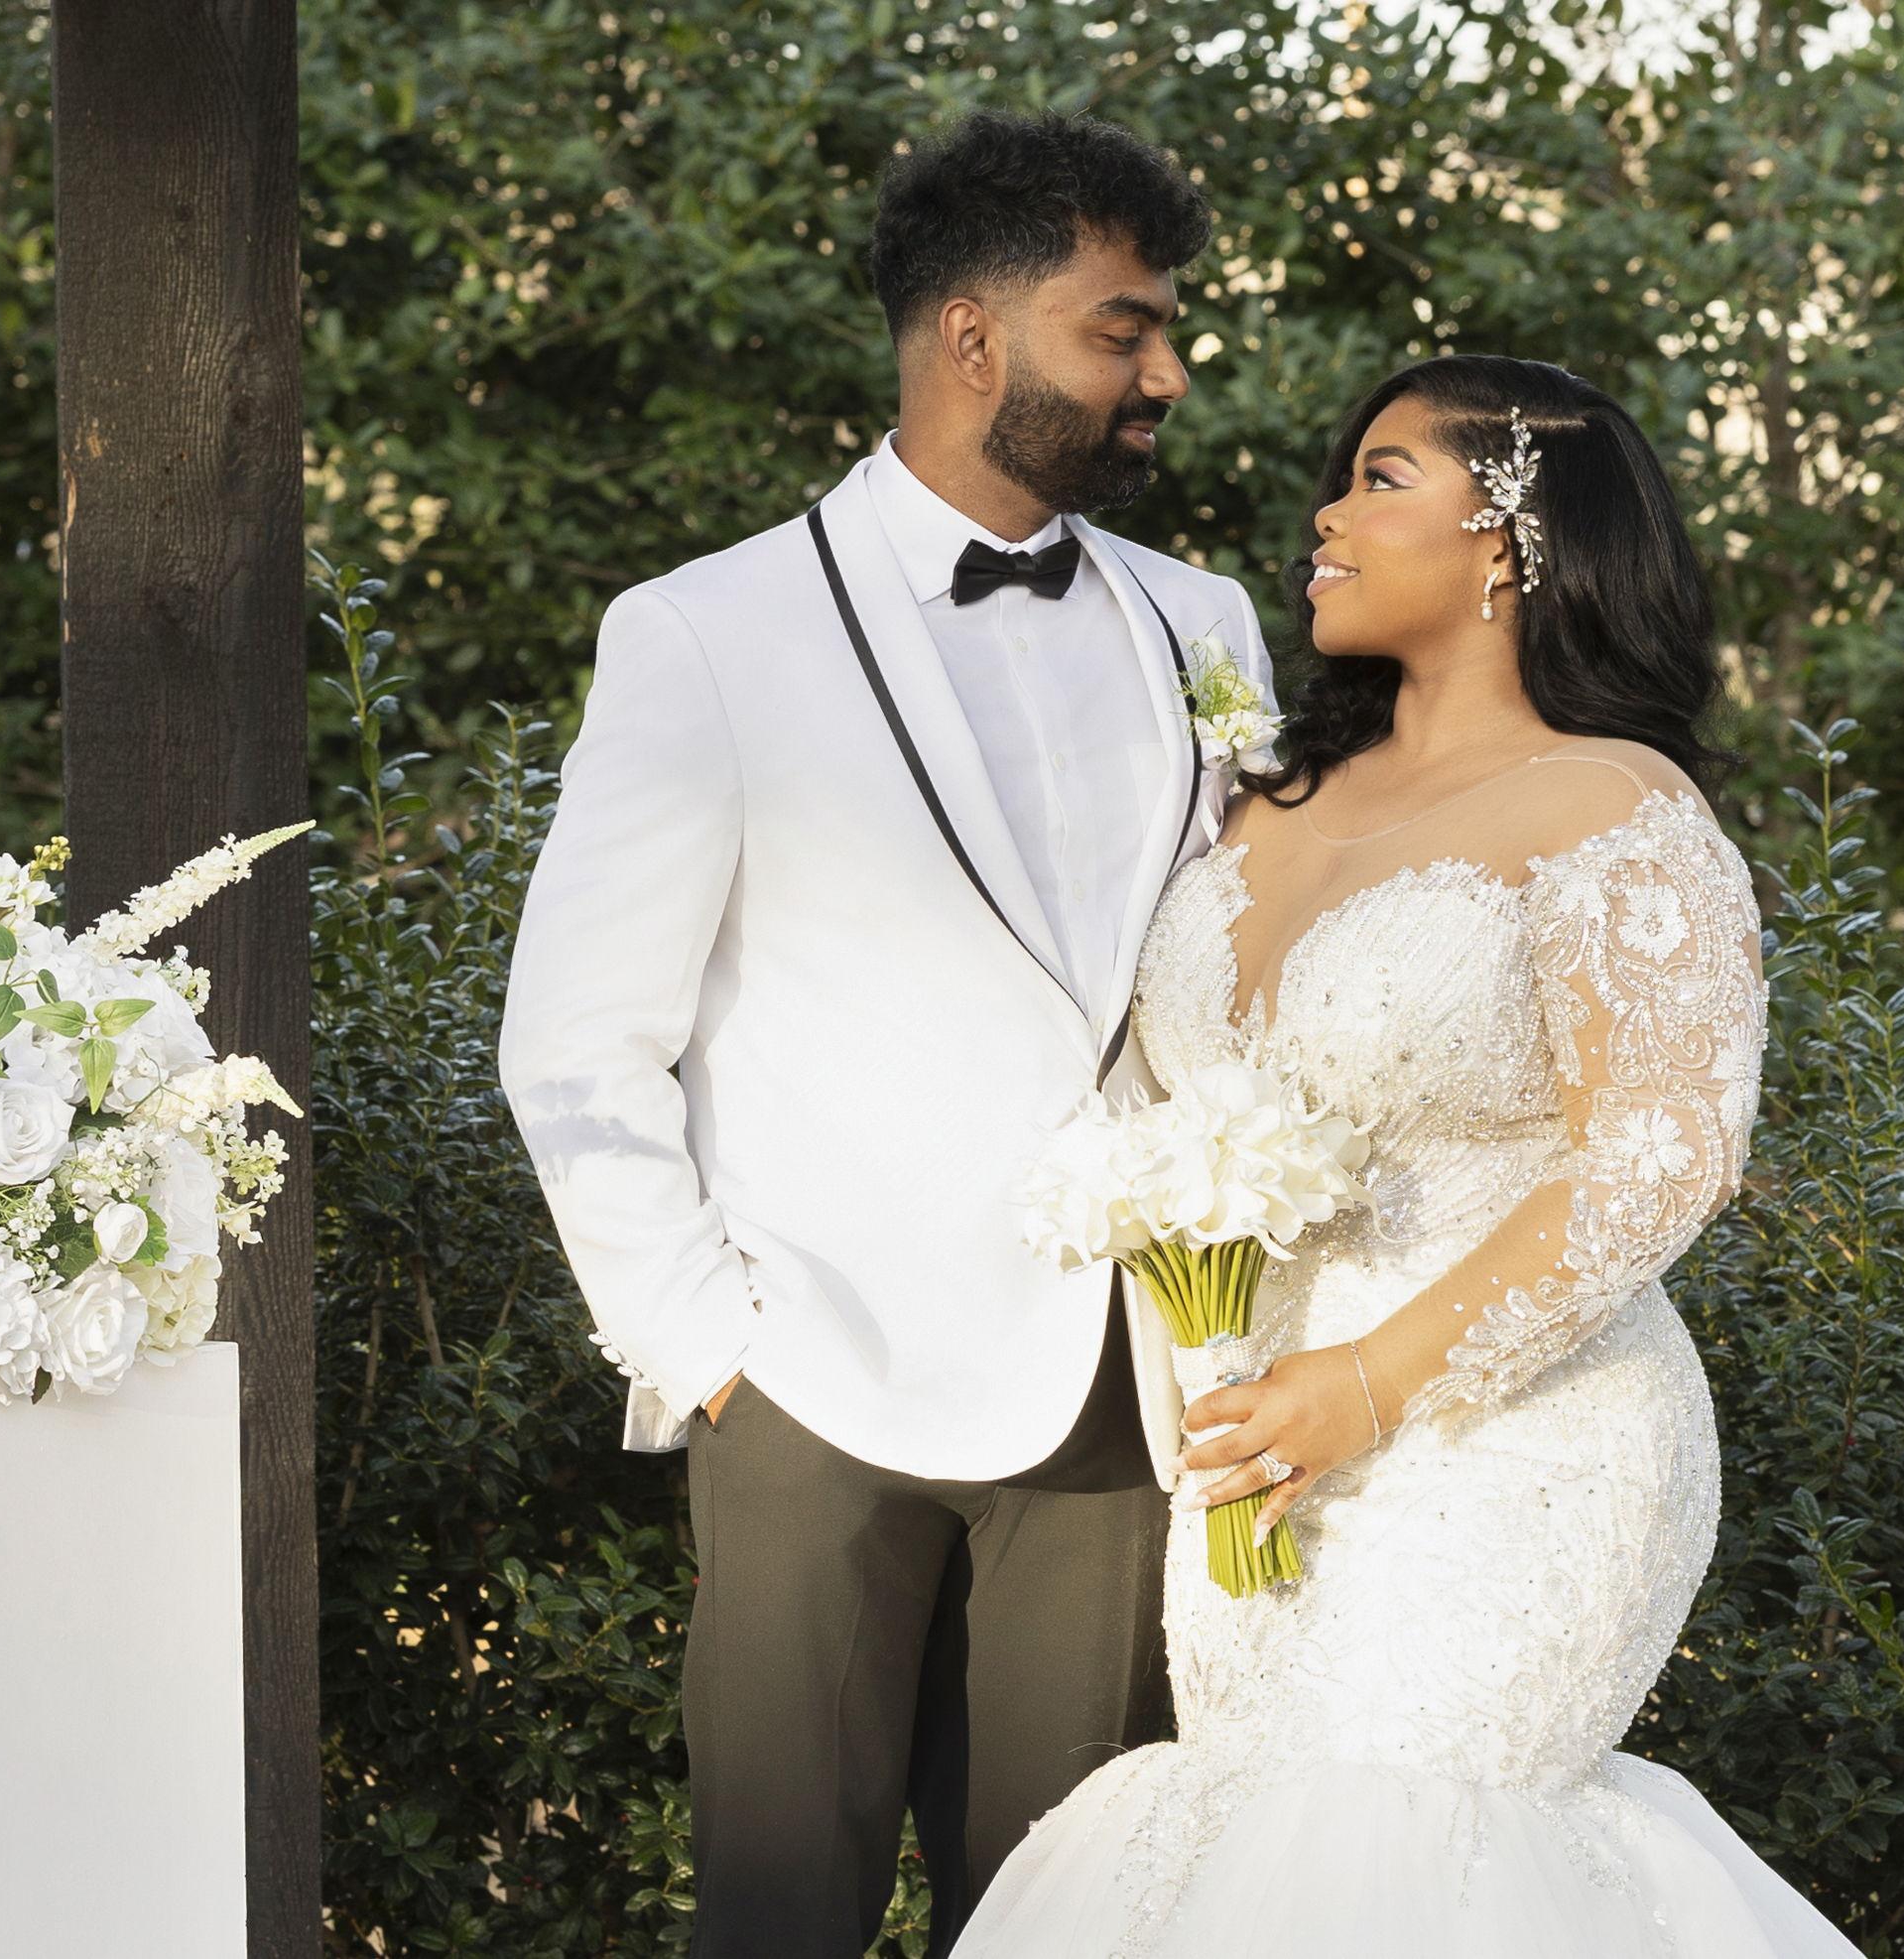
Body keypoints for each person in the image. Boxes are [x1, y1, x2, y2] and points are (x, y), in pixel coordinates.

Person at [951, 354, 1863, 1957]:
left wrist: (1370, 1381)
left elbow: (1663, 1154)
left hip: (1511, 1448)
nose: (1326, 513)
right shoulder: (1257, 796)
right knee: (1246, 1853)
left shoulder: (1614, 804)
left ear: (1510, 534)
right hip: (1250, 1451)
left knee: (1412, 1850)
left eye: (1380, 478)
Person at [498, 112, 1270, 1958]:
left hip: (1117, 1390)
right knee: (777, 1918)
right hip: (811, 1381)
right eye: (1122, 330)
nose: (1165, 373)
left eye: (1165, 332)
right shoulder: (704, 632)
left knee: (1075, 1918)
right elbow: (574, 1042)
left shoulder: (1205, 625)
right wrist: (709, 1352)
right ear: (972, 338)